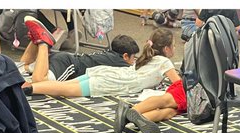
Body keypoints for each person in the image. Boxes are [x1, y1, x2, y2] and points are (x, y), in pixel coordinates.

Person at [25, 27, 178, 106]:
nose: (175, 49)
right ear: (166, 49)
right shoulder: (164, 62)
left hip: (107, 73)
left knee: (64, 85)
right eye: (173, 46)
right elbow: (178, 84)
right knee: (66, 90)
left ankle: (30, 86)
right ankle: (31, 87)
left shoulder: (147, 57)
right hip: (116, 82)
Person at [19, 19, 139, 81]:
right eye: (133, 58)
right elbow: (138, 71)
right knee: (39, 81)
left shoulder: (109, 54)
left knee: (20, 69)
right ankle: (43, 42)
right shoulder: (120, 62)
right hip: (68, 66)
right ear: (125, 56)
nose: (133, 61)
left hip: (63, 58)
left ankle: (35, 40)